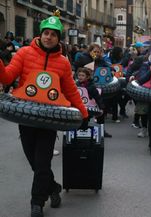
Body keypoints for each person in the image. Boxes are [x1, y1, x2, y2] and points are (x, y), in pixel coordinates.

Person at [0, 13, 89, 217]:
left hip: (50, 120)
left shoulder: (64, 63)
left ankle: (37, 203)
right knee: (34, 162)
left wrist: (83, 115)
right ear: (40, 35)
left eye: (53, 34)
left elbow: (71, 91)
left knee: (42, 163)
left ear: (59, 39)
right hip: (26, 117)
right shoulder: (23, 53)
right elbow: (7, 77)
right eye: (46, 33)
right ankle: (53, 187)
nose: (49, 37)